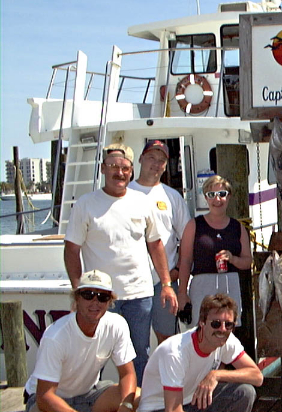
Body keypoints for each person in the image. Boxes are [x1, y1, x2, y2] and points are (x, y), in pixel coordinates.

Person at [64, 143, 178, 382]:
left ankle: (136, 409)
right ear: (103, 169)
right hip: (100, 298)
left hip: (139, 296)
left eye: (124, 168)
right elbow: (72, 250)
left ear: (131, 171)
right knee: (94, 356)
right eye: (114, 167)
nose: (119, 173)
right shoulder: (85, 204)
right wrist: (78, 290)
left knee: (139, 356)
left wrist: (166, 284)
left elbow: (155, 245)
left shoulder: (141, 201)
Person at [137, 293, 263, 412]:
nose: (222, 329)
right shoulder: (176, 352)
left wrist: (216, 375)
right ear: (202, 322)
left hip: (190, 402)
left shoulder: (226, 341)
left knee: (245, 392)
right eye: (216, 323)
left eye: (228, 325)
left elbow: (257, 376)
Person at [25, 270, 138, 412]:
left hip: (88, 392)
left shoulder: (117, 325)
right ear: (76, 298)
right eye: (88, 294)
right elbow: (44, 396)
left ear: (110, 301)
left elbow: (128, 374)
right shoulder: (56, 336)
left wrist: (126, 407)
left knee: (138, 397)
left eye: (102, 296)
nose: (95, 302)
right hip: (48, 398)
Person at [129, 140, 191, 343]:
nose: (156, 164)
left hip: (164, 282)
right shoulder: (124, 193)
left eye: (161, 160)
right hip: (132, 283)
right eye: (151, 158)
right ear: (140, 159)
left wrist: (178, 272)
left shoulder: (172, 197)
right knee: (134, 342)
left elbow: (187, 239)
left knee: (167, 340)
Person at [177, 175, 252, 326]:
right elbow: (185, 261)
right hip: (201, 285)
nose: (217, 200)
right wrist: (182, 293)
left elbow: (248, 261)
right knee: (201, 334)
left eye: (222, 194)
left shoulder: (238, 227)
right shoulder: (194, 225)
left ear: (229, 197)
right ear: (206, 197)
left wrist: (232, 259)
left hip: (230, 284)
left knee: (227, 331)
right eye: (211, 195)